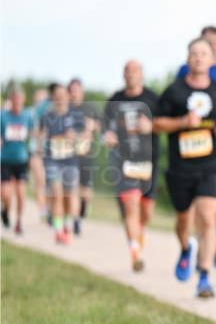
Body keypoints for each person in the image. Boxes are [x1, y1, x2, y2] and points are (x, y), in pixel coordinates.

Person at [155, 38, 216, 298]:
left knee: (207, 218)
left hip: (210, 165)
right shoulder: (174, 91)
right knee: (183, 220)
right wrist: (181, 122)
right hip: (181, 167)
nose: (199, 58)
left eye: (204, 53)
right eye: (194, 53)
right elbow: (157, 124)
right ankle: (185, 249)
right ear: (188, 59)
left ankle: (204, 276)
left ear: (213, 60)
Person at [177, 25, 216, 269]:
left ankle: (215, 244)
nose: (210, 47)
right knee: (187, 211)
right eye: (206, 43)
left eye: (214, 44)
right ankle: (187, 245)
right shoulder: (183, 72)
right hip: (186, 153)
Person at [103, 60, 160, 271]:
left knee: (146, 211)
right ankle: (135, 253)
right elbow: (104, 128)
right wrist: (107, 136)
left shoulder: (153, 98)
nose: (130, 74)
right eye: (126, 71)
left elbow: (166, 123)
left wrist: (151, 125)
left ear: (142, 74)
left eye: (134, 71)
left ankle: (140, 231)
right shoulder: (114, 100)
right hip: (124, 160)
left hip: (149, 160)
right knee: (131, 205)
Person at [39, 84, 87, 244]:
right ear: (53, 97)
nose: (59, 98)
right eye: (56, 95)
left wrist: (77, 137)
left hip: (71, 161)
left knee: (68, 197)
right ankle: (58, 231)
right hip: (53, 160)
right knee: (57, 194)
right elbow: (40, 137)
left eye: (62, 94)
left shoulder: (77, 115)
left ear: (67, 96)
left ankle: (66, 225)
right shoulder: (47, 116)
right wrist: (42, 143)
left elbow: (86, 136)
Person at [1, 85, 36, 235]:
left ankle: (19, 223)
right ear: (11, 100)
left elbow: (34, 135)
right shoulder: (3, 116)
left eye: (19, 100)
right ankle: (5, 211)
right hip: (6, 160)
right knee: (6, 194)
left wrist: (33, 152)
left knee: (21, 193)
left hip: (22, 160)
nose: (16, 104)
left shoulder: (28, 117)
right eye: (14, 100)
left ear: (23, 100)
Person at [67, 78, 101, 235]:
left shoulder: (91, 108)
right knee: (73, 189)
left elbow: (102, 127)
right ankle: (76, 221)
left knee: (85, 190)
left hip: (87, 155)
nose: (74, 93)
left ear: (82, 91)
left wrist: (93, 126)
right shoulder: (65, 109)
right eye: (72, 90)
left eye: (77, 90)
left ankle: (83, 208)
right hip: (69, 155)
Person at [28, 87, 49, 216]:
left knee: (49, 181)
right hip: (34, 151)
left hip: (49, 152)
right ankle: (43, 210)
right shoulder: (30, 113)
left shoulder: (50, 114)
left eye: (44, 99)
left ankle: (50, 207)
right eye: (39, 98)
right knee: (40, 180)